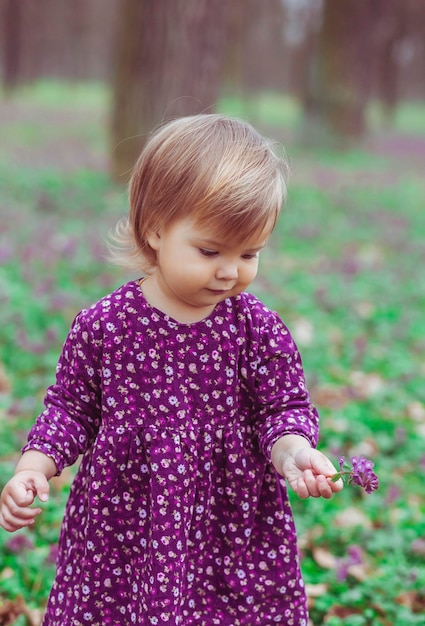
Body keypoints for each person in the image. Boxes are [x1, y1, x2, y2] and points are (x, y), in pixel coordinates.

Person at [0, 114, 343, 626]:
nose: (230, 270)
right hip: (126, 527)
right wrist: (33, 468)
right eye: (210, 251)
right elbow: (71, 409)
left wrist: (294, 451)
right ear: (155, 228)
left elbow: (282, 407)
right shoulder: (104, 326)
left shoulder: (256, 328)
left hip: (228, 526)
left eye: (249, 253)